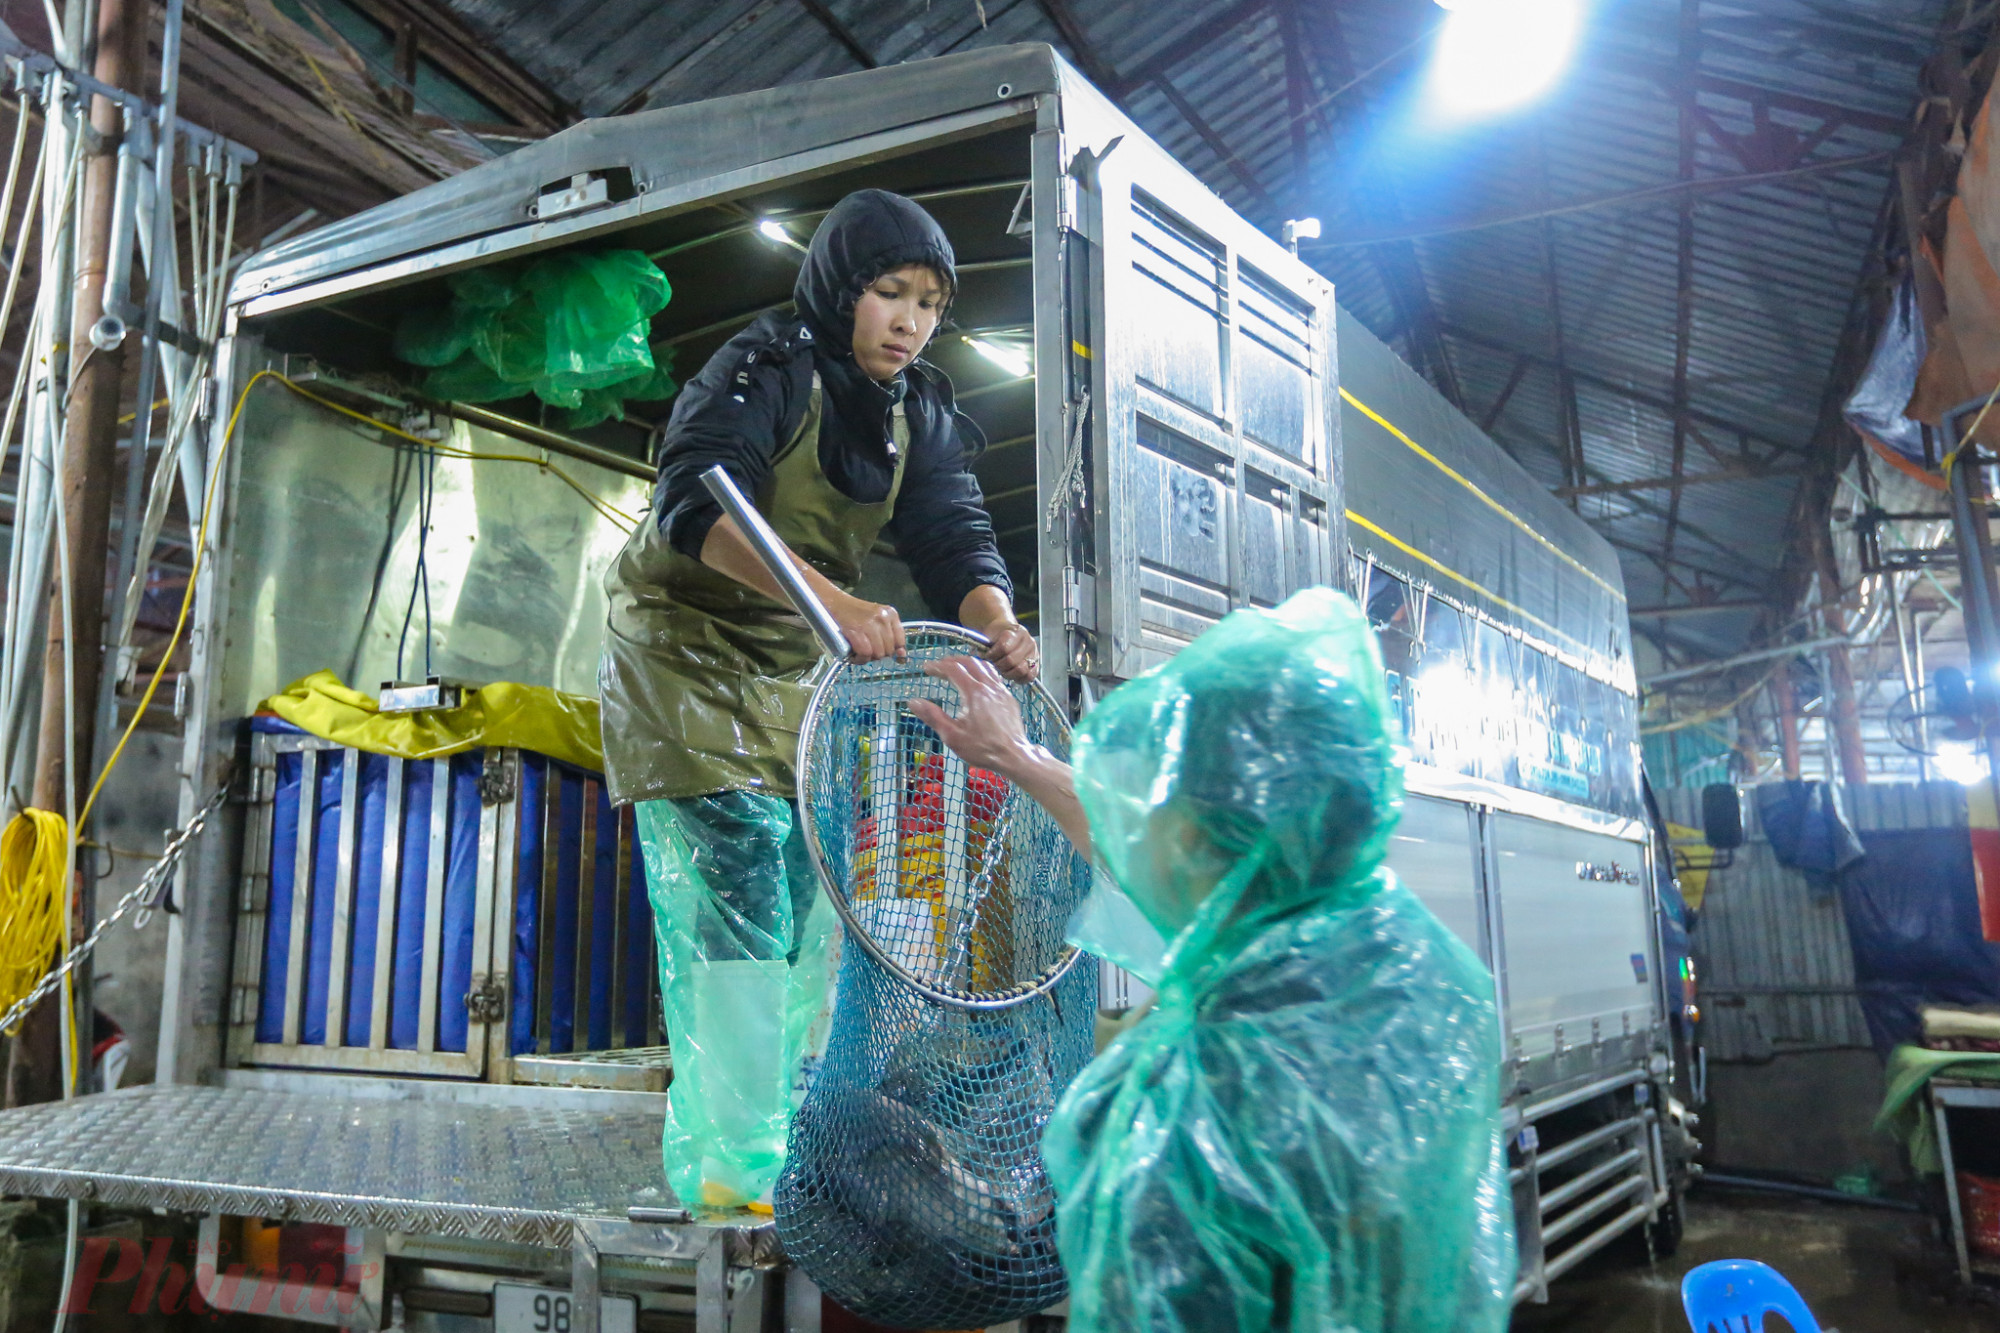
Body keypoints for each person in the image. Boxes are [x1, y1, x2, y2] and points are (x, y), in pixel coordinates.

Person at [906, 587, 1516, 1333]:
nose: (1135, 828)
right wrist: (1019, 758)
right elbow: (1185, 873)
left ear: (1193, 836)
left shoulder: (1190, 1106)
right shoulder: (1426, 974)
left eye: (1152, 803)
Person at [599, 188, 1037, 1212]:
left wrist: (996, 617)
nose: (909, 321)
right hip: (684, 646)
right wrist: (835, 601)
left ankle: (782, 1129)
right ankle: (733, 1159)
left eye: (929, 303)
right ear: (842, 286)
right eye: (889, 292)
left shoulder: (913, 409)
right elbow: (693, 501)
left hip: (792, 657)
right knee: (739, 886)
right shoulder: (763, 367)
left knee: (807, 890)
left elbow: (951, 530)